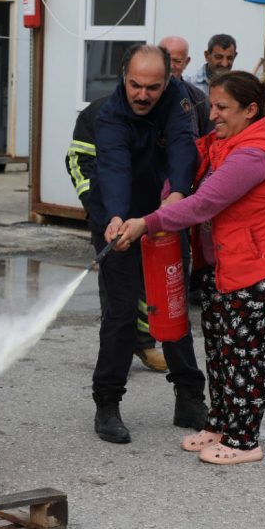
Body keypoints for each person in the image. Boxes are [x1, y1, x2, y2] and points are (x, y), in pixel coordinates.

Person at [116, 71, 265, 465]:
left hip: (264, 269)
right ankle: (219, 423)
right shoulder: (221, 142)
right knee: (220, 349)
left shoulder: (255, 152)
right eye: (211, 106)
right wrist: (171, 194)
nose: (213, 115)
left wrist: (149, 222)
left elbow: (206, 203)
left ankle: (244, 440)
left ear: (250, 110)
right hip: (224, 267)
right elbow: (189, 165)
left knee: (243, 352)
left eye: (222, 108)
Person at [88, 44, 208, 444]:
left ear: (168, 81)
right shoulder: (108, 115)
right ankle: (107, 405)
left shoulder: (180, 101)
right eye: (135, 85)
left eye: (152, 88)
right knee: (121, 315)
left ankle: (189, 398)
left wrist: (179, 193)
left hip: (163, 218)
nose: (142, 95)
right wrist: (117, 217)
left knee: (172, 309)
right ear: (124, 77)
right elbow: (115, 167)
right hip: (118, 222)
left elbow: (182, 147)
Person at [65, 96, 168, 373]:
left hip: (152, 215)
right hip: (108, 216)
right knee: (116, 288)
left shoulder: (172, 107)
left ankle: (145, 343)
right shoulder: (97, 113)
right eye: (137, 83)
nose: (145, 92)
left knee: (151, 280)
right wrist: (94, 203)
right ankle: (116, 353)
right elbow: (78, 160)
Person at [158, 35, 212, 137]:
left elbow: (208, 137)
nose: (170, 66)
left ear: (186, 62)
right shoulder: (143, 93)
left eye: (177, 61)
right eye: (165, 60)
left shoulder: (198, 98)